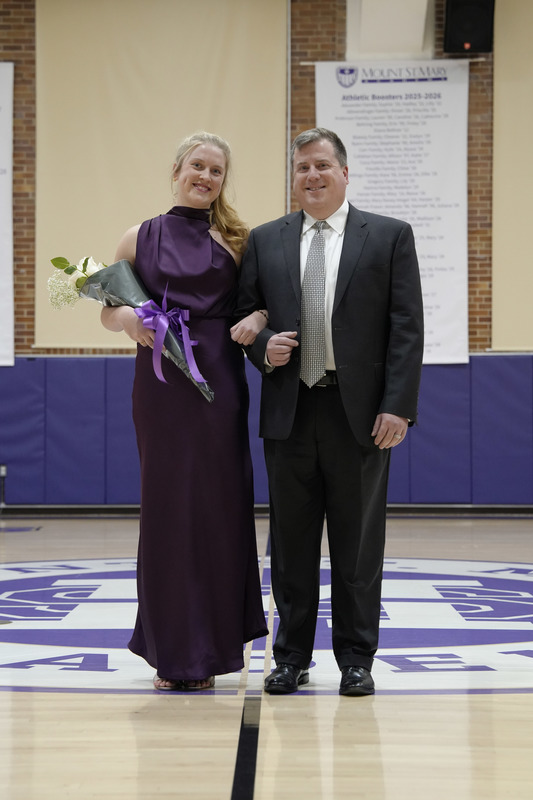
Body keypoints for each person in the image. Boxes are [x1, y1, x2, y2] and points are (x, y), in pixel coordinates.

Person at [233, 127, 424, 697]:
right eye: (301, 169)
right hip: (290, 409)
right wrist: (260, 347)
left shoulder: (388, 236)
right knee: (290, 544)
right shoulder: (265, 240)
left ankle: (357, 659)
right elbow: (246, 315)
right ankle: (290, 657)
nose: (311, 176)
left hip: (360, 414)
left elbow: (406, 330)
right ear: (292, 179)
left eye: (321, 166)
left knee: (357, 544)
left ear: (344, 173)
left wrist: (399, 407)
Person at [101, 132, 268, 691]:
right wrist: (130, 321)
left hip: (217, 384)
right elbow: (108, 310)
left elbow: (264, 301)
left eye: (216, 171)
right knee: (167, 510)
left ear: (223, 181)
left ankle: (216, 648)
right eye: (197, 165)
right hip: (160, 386)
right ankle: (173, 654)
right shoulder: (137, 235)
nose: (206, 176)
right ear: (176, 169)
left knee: (218, 509)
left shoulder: (237, 240)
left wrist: (261, 319)